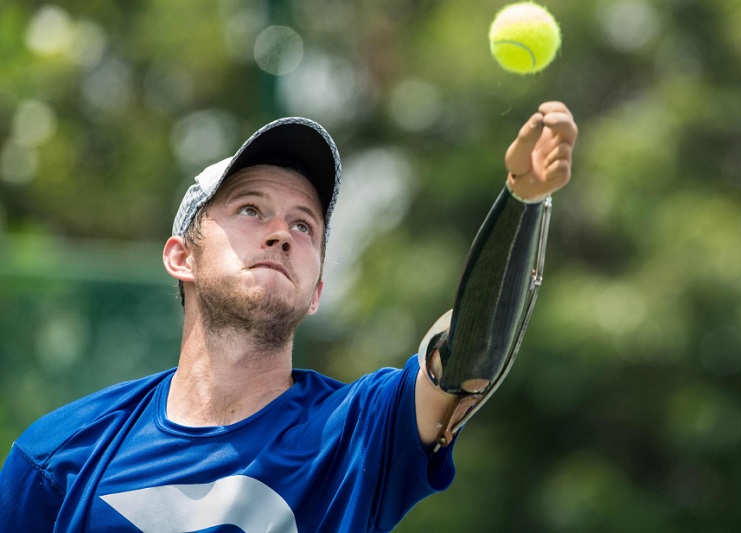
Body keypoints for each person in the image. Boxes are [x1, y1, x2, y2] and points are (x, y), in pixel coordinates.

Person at [0, 102, 577, 531]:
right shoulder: (60, 458)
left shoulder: (356, 435)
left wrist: (522, 202)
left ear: (316, 289)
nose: (281, 233)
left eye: (304, 225)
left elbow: (463, 360)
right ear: (182, 257)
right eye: (251, 209)